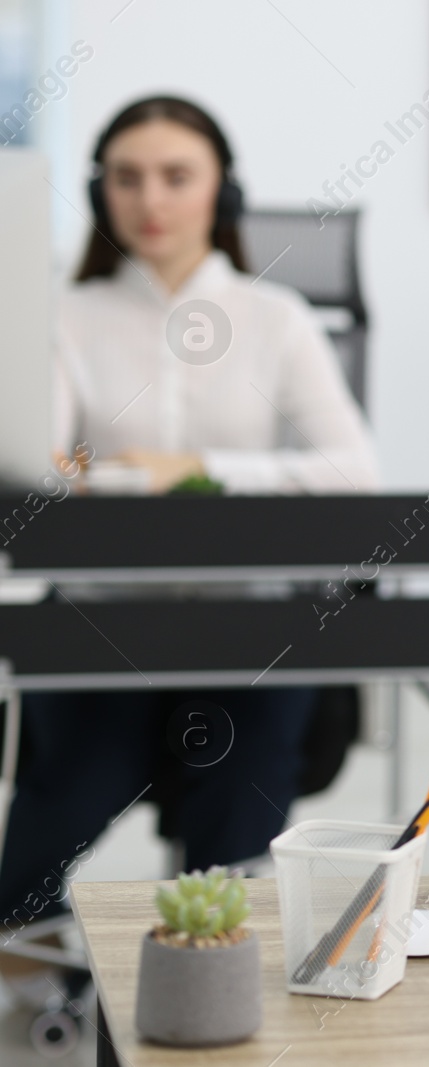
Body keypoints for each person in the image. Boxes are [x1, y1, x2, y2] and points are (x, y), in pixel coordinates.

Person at [0, 96, 378, 935]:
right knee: (30, 857)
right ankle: (52, 974)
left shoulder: (276, 320)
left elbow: (352, 469)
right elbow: (39, 463)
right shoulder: (63, 317)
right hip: (105, 630)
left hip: (250, 633)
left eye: (177, 176)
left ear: (222, 192)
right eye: (127, 179)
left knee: (227, 875)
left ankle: (199, 993)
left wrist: (199, 471)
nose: (151, 200)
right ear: (102, 196)